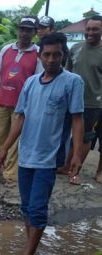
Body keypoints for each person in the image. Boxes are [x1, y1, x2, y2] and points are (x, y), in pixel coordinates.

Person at [0, 33, 84, 255]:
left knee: (37, 208)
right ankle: (31, 247)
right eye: (46, 55)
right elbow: (20, 117)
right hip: (26, 153)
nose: (51, 59)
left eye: (56, 55)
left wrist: (76, 155)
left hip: (49, 156)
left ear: (64, 55)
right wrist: (5, 147)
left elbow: (77, 119)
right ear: (40, 56)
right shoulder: (31, 82)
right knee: (26, 206)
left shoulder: (73, 82)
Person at [0, 16, 43, 184]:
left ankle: (10, 175)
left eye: (28, 30)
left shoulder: (38, 53)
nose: (24, 33)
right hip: (1, 101)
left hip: (22, 106)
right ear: (18, 31)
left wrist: (33, 107)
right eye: (22, 29)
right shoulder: (7, 49)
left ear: (35, 33)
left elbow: (38, 81)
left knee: (15, 143)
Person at [61, 15, 102, 184]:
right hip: (71, 100)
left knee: (85, 138)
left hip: (93, 102)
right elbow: (66, 72)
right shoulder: (75, 48)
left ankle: (75, 171)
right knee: (70, 136)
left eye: (95, 29)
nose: (90, 33)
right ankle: (65, 166)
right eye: (88, 29)